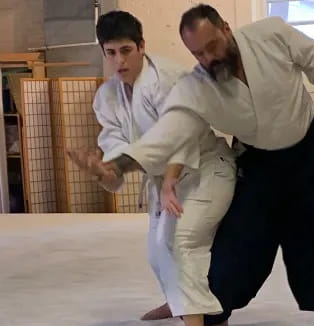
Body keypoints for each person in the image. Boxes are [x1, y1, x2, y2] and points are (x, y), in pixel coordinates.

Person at [104, 4, 314, 326]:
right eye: (198, 54)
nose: (208, 59)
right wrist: (118, 167)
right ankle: (215, 312)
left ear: (226, 28)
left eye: (212, 46)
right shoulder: (198, 86)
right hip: (258, 162)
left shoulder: (272, 33)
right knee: (239, 241)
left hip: (308, 151)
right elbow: (169, 131)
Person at [66, 10, 236, 326]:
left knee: (179, 243)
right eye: (111, 53)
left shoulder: (169, 80)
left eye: (126, 50)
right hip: (164, 181)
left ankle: (202, 319)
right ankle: (180, 304)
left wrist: (170, 182)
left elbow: (183, 133)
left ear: (141, 46)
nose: (120, 61)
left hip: (206, 170)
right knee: (157, 254)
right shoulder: (107, 97)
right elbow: (119, 155)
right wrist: (101, 170)